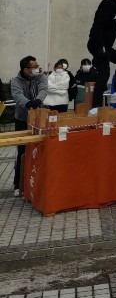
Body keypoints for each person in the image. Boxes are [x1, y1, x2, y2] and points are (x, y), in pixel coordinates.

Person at [10, 56, 48, 195]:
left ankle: (39, 181)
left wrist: (38, 100)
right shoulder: (16, 81)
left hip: (40, 119)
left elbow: (43, 89)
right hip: (22, 119)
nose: (38, 68)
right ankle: (18, 185)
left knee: (40, 149)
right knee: (22, 151)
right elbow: (17, 95)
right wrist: (28, 103)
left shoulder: (41, 76)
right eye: (34, 66)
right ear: (26, 69)